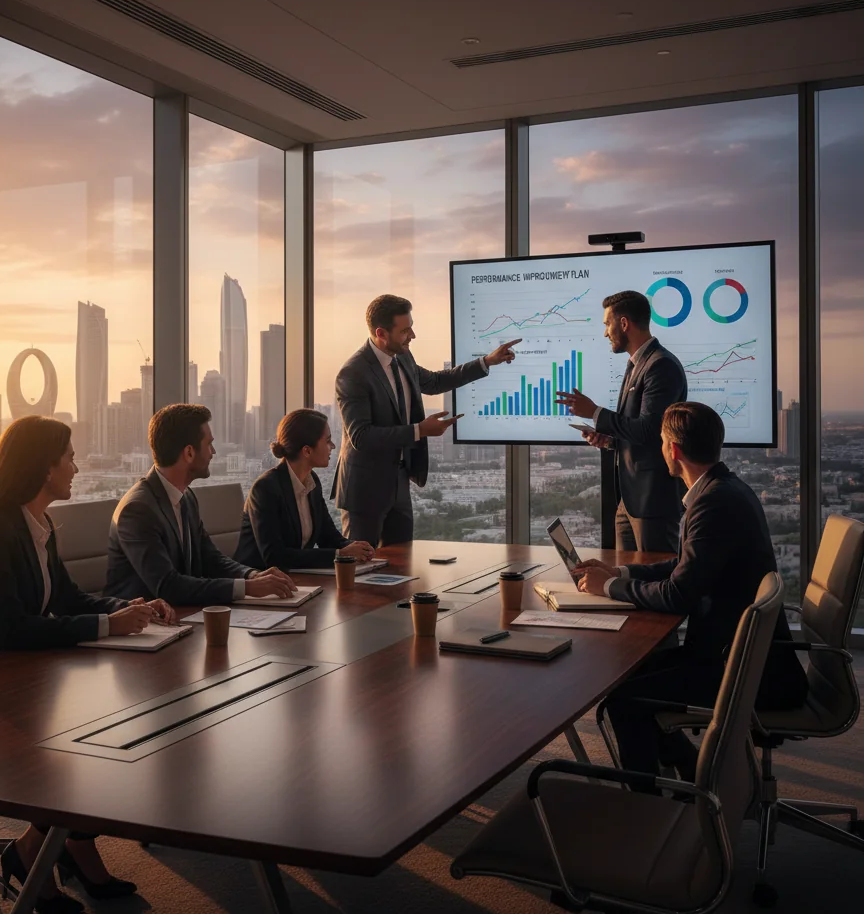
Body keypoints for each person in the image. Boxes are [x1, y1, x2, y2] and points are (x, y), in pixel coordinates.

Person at [0, 415, 175, 912]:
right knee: (84, 747)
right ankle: (35, 853)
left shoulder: (37, 524)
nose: (77, 467)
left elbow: (67, 597)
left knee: (104, 734)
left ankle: (69, 845)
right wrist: (108, 626)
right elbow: (10, 627)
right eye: (70, 458)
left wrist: (128, 608)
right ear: (44, 467)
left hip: (16, 668)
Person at [573, 401, 808, 781]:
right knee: (628, 678)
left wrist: (611, 587)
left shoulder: (713, 502)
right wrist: (618, 572)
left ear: (673, 449)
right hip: (738, 653)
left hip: (740, 669)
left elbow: (678, 595)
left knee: (625, 699)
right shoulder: (723, 489)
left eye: (661, 441)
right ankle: (692, 774)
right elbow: (685, 565)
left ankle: (648, 802)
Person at [332, 293, 520, 547]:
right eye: (405, 331)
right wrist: (419, 430)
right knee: (361, 562)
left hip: (399, 482)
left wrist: (486, 362)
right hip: (365, 490)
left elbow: (435, 382)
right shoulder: (353, 373)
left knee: (402, 562)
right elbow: (361, 437)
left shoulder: (402, 357)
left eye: (411, 327)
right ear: (381, 333)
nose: (413, 335)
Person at [105, 404, 297, 605]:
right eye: (209, 444)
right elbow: (168, 586)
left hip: (183, 613)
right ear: (189, 452)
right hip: (146, 621)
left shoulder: (186, 496)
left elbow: (210, 558)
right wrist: (247, 588)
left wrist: (252, 575)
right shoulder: (138, 510)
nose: (213, 452)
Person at [557, 289, 687, 553]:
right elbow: (639, 432)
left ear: (624, 323)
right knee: (626, 573)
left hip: (652, 502)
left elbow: (650, 430)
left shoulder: (660, 366)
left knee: (654, 572)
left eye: (608, 324)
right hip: (629, 500)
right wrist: (609, 441)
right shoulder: (636, 365)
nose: (606, 333)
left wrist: (595, 413)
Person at [235, 409, 375, 572]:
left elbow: (328, 537)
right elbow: (275, 557)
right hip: (260, 579)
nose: (333, 446)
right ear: (307, 451)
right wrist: (340, 554)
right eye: (328, 441)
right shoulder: (265, 489)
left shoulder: (312, 482)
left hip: (296, 577)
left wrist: (357, 548)